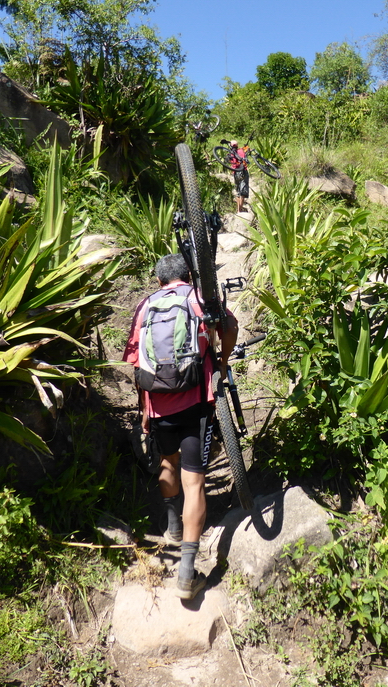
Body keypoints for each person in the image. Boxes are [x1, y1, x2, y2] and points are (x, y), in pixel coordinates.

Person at [123, 253, 238, 600]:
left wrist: (145, 408)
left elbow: (135, 361)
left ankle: (172, 526)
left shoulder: (145, 306)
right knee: (195, 481)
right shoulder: (199, 298)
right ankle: (187, 572)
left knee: (167, 462)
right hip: (196, 404)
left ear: (158, 281)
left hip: (158, 406)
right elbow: (229, 327)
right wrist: (221, 360)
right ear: (188, 275)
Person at [228, 139, 249, 213]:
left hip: (235, 172)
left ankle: (238, 210)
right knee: (243, 190)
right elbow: (246, 154)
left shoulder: (231, 153)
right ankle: (240, 209)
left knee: (238, 190)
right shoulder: (241, 151)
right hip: (243, 171)